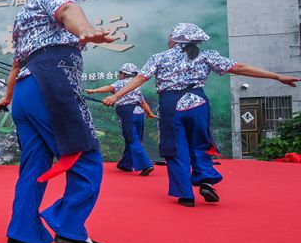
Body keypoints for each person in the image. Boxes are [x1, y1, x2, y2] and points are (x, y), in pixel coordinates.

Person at [0, 0, 115, 243]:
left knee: (34, 164)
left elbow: (17, 64)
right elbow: (67, 11)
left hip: (25, 92)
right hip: (52, 84)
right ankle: (70, 228)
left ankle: (23, 231)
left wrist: (8, 97)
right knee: (86, 157)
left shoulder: (25, 15)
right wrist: (86, 30)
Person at [104, 23, 300, 206]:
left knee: (175, 147)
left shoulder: (160, 57)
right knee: (201, 144)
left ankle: (186, 195)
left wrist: (116, 96)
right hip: (198, 103)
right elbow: (239, 67)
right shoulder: (207, 56)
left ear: (175, 40)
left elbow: (140, 79)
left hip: (171, 105)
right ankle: (205, 180)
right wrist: (276, 76)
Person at [85, 63, 156, 175]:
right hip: (139, 112)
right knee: (134, 138)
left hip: (126, 112)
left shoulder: (120, 83)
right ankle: (125, 164)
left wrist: (94, 91)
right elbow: (142, 102)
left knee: (131, 138)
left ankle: (145, 165)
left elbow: (109, 88)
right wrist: (150, 113)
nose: (118, 74)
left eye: (120, 72)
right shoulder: (136, 84)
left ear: (124, 74)